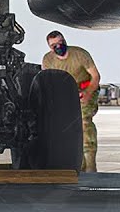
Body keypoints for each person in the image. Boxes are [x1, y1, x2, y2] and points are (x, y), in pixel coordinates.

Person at [42, 30, 101, 173]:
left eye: (60, 42)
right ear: (50, 47)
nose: (58, 46)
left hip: (84, 90)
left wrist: (87, 93)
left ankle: (90, 164)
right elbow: (47, 82)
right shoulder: (48, 60)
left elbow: (95, 77)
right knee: (67, 128)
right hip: (65, 93)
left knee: (84, 122)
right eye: (54, 45)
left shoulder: (80, 55)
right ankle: (78, 163)